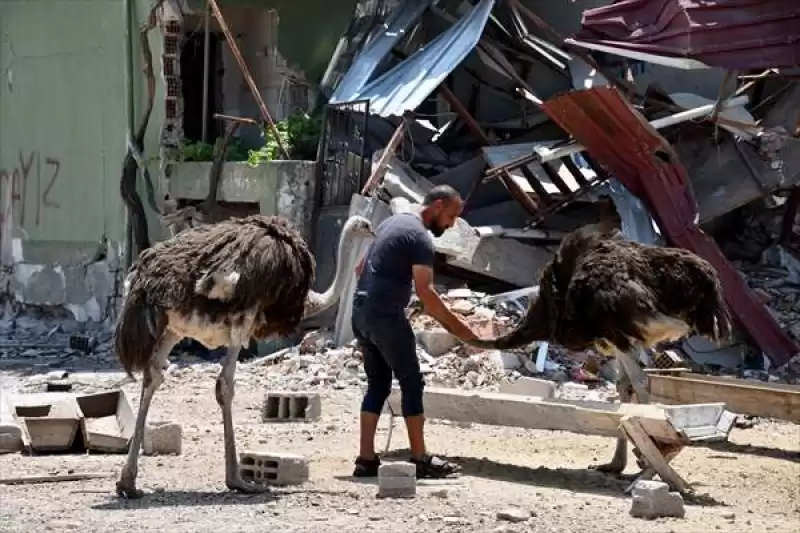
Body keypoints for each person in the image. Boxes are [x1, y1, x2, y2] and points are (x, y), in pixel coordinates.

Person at [350, 185, 480, 479]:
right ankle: (420, 458)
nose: (451, 224)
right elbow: (427, 293)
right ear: (436, 206)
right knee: (411, 381)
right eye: (451, 216)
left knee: (377, 384)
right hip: (385, 315)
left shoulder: (392, 223)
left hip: (360, 312)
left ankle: (366, 459)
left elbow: (360, 269)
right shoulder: (421, 238)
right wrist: (461, 329)